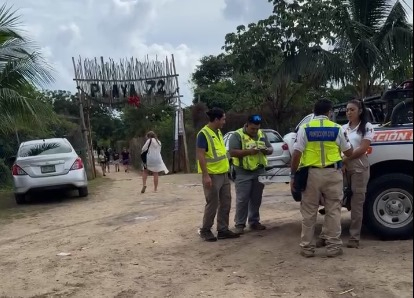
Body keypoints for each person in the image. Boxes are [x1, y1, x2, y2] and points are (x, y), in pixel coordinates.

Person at [290, 99, 353, 258]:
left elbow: (297, 154)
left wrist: (293, 175)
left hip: (311, 174)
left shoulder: (305, 128)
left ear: (314, 111)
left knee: (309, 212)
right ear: (329, 112)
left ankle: (307, 248)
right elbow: (349, 152)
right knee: (333, 211)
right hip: (333, 174)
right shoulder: (337, 128)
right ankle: (333, 247)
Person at [196, 107, 240, 242]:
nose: (224, 122)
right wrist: (205, 175)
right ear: (216, 119)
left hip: (223, 173)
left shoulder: (218, 132)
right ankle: (206, 230)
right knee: (212, 203)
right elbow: (201, 155)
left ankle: (223, 229)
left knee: (226, 202)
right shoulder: (203, 134)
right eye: (223, 119)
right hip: (212, 175)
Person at [228, 115, 273, 234]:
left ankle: (254, 222)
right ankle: (239, 224)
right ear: (246, 125)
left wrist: (266, 150)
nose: (255, 131)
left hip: (259, 171)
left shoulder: (261, 134)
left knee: (256, 199)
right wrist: (249, 152)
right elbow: (232, 152)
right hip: (243, 172)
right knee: (242, 199)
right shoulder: (237, 135)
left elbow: (270, 149)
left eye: (257, 129)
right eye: (252, 129)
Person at [341, 99, 374, 248]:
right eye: (347, 110)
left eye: (352, 110)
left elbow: (363, 148)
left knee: (356, 204)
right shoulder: (342, 128)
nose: (349, 112)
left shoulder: (367, 127)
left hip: (359, 167)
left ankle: (354, 238)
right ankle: (327, 235)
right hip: (342, 167)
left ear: (360, 111)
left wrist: (346, 159)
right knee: (335, 201)